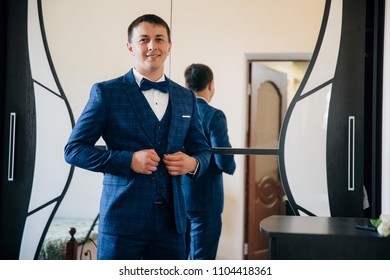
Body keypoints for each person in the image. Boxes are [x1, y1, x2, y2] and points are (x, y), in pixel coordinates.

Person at [64, 14, 210, 260]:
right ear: (130, 47)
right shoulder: (106, 92)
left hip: (172, 224)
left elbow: (203, 151)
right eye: (144, 39)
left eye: (159, 39)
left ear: (169, 46)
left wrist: (193, 164)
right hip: (121, 221)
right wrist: (127, 160)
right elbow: (74, 150)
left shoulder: (186, 98)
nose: (152, 46)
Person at [183, 63, 236, 260]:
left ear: (186, 85)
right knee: (202, 261)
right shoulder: (214, 115)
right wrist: (231, 166)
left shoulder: (176, 113)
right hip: (205, 200)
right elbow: (224, 161)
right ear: (211, 84)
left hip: (177, 197)